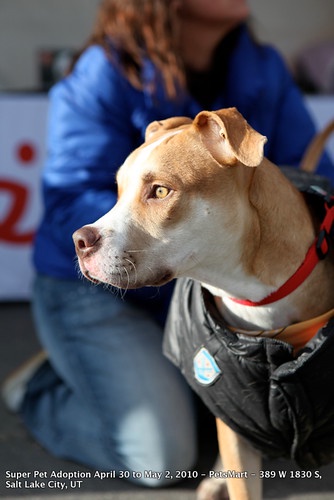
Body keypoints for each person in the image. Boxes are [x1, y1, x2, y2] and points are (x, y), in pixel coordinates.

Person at [3, 0, 333, 488]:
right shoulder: (103, 73)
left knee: (235, 406)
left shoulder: (260, 65)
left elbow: (303, 177)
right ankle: (42, 387)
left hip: (203, 274)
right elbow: (72, 198)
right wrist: (163, 234)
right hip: (92, 291)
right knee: (159, 456)